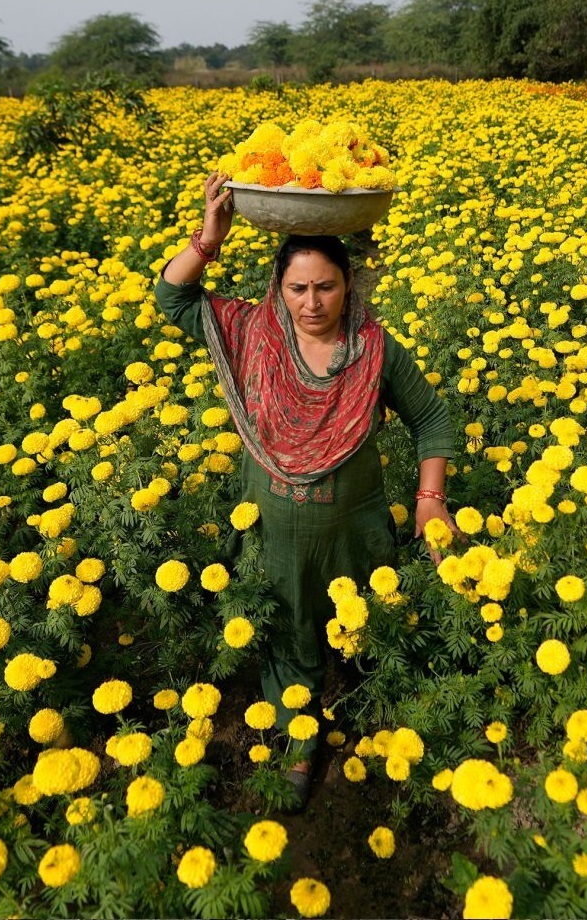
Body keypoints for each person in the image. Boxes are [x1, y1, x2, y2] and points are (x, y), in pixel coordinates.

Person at [154, 172, 456, 809]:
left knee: (374, 628)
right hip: (279, 531)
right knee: (290, 630)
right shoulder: (252, 333)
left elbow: (432, 419)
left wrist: (431, 501)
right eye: (297, 287)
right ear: (278, 287)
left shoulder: (374, 350)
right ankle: (299, 733)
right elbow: (175, 299)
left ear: (350, 286)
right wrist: (209, 239)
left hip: (357, 529)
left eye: (326, 286)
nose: (312, 301)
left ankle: (389, 709)